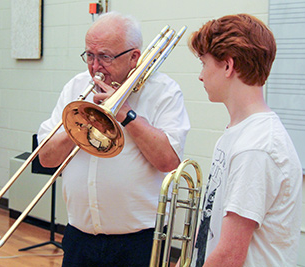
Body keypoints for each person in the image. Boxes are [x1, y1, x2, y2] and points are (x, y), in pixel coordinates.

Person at [37, 11, 190, 266]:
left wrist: (126, 115)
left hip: (138, 242)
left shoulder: (164, 91)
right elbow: (45, 158)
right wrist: (81, 123)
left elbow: (168, 161)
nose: (95, 67)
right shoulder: (76, 88)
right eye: (90, 55)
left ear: (134, 57)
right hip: (79, 237)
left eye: (105, 57)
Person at [180, 14, 302, 266]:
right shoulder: (239, 133)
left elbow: (229, 257)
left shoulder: (256, 147)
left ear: (227, 66)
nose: (201, 76)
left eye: (204, 63)